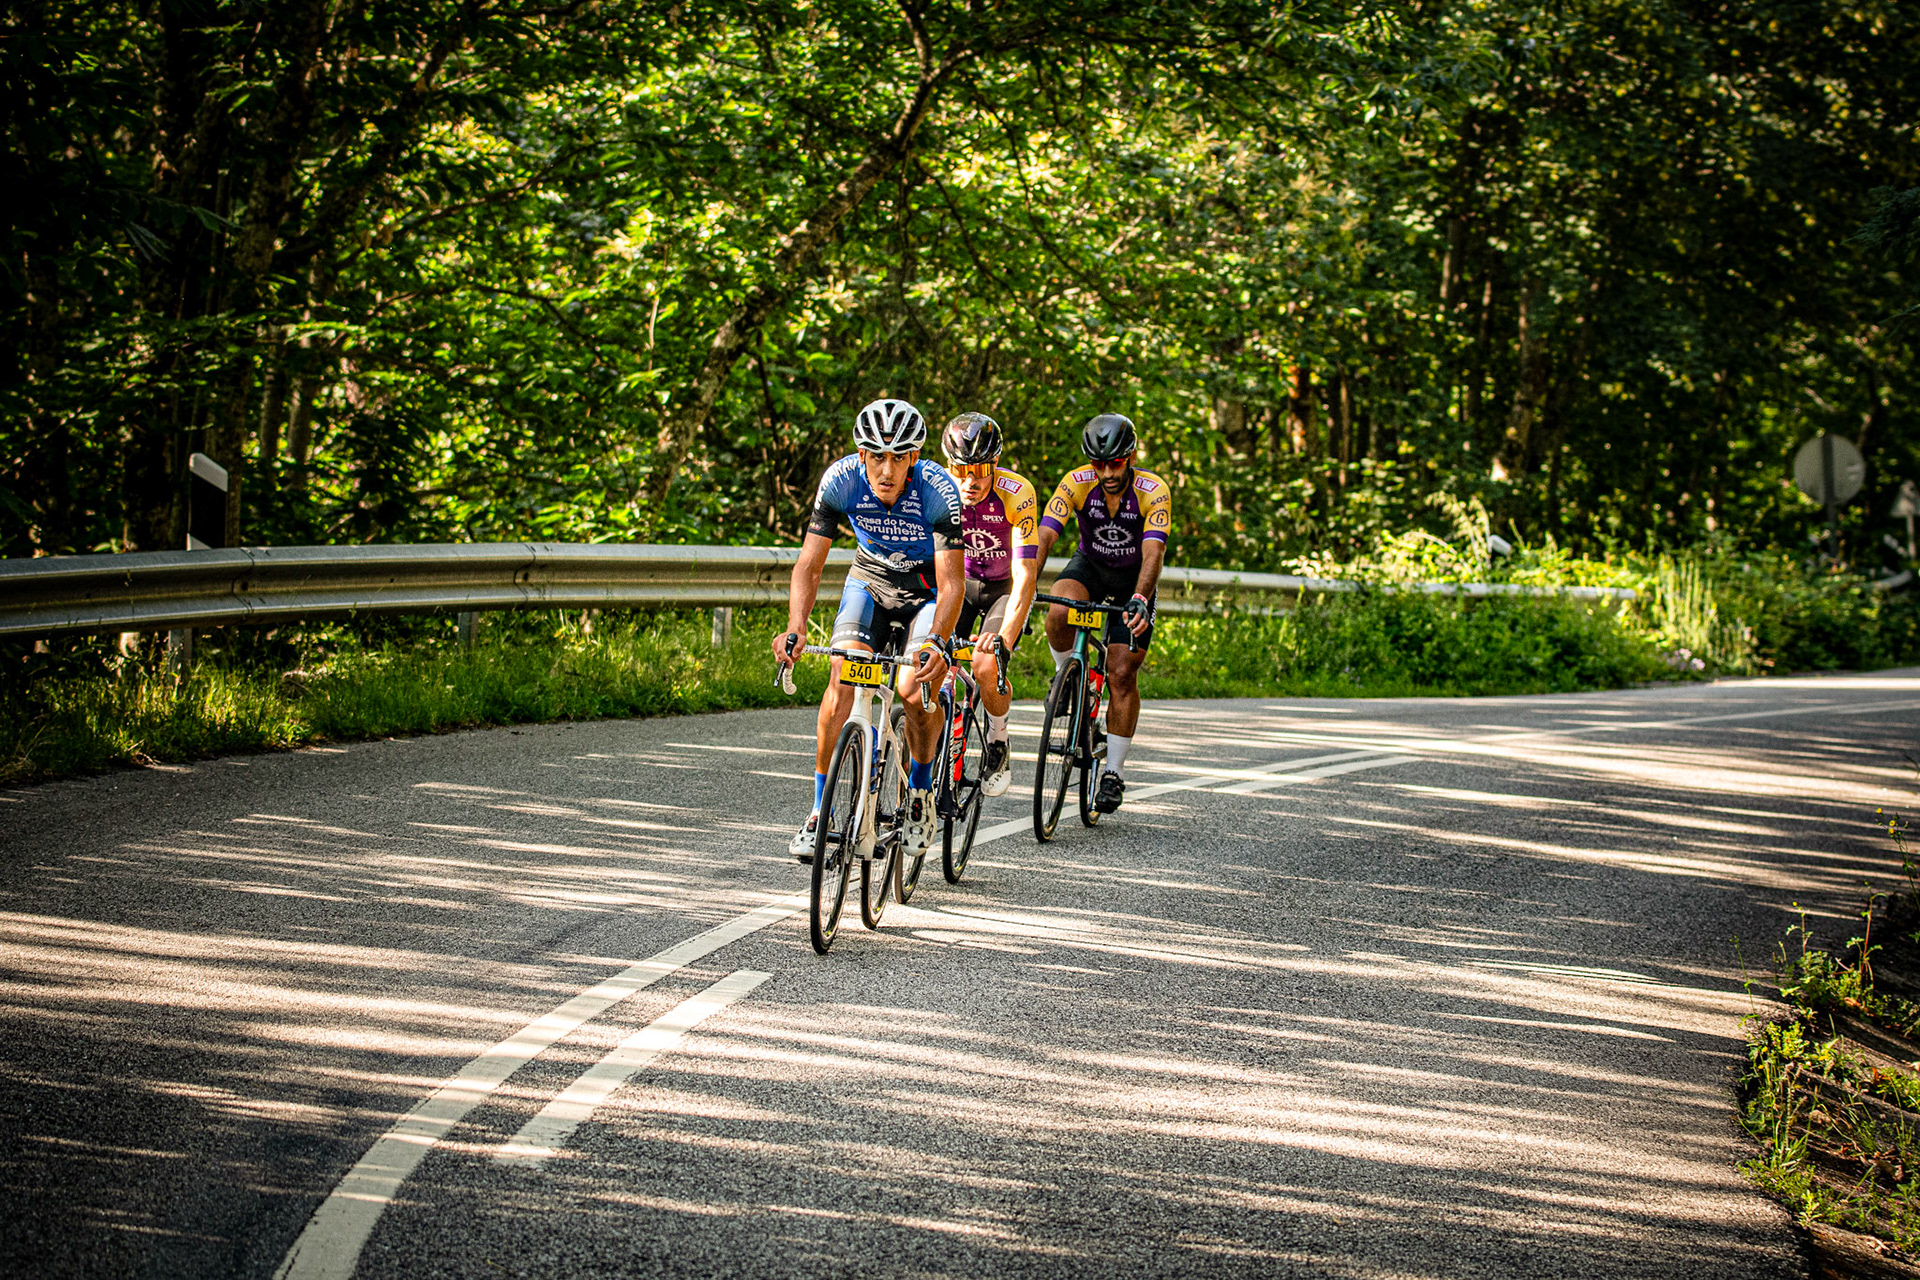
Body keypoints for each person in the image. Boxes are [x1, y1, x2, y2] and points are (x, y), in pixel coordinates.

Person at [773, 398, 962, 863]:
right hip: (870, 582)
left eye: (899, 457)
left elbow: (953, 581)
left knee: (915, 690)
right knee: (843, 674)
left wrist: (938, 640)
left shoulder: (938, 490)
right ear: (862, 455)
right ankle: (819, 811)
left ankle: (918, 794)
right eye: (877, 456)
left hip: (925, 591)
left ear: (914, 458)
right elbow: (809, 565)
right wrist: (796, 626)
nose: (887, 469)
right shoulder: (839, 481)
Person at [1032, 413, 1170, 815]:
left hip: (1133, 579)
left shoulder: (1151, 490)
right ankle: (1067, 678)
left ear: (1130, 457)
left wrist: (1141, 598)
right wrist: (1024, 591)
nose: (1107, 472)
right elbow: (1045, 535)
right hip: (1090, 567)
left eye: (1115, 463)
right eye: (1099, 464)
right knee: (1059, 608)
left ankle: (1112, 771)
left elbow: (1154, 551)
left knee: (1122, 671)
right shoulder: (1076, 483)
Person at [940, 412, 1041, 797]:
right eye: (960, 469)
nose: (969, 481)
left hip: (1002, 586)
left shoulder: (1017, 493)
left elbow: (1025, 576)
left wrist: (1003, 641)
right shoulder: (939, 488)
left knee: (985, 664)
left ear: (995, 463)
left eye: (979, 470)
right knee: (930, 660)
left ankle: (998, 740)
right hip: (959, 583)